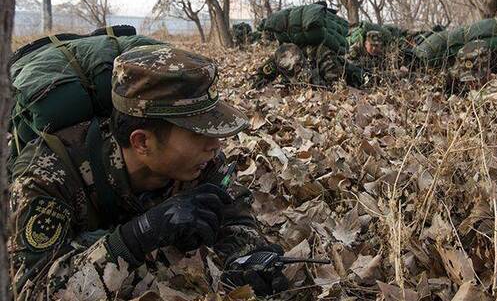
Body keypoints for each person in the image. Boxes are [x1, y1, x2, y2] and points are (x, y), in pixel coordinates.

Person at [8, 44, 288, 300]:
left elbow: (235, 214)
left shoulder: (200, 161)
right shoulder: (48, 175)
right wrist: (135, 237)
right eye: (198, 132)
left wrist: (247, 258)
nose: (215, 145)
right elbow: (34, 289)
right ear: (142, 142)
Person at [252, 42, 369, 89]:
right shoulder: (279, 56)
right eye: (292, 71)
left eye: (298, 67)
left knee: (367, 77)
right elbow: (258, 79)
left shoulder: (321, 54)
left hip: (352, 76)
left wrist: (312, 83)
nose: (297, 71)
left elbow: (337, 87)